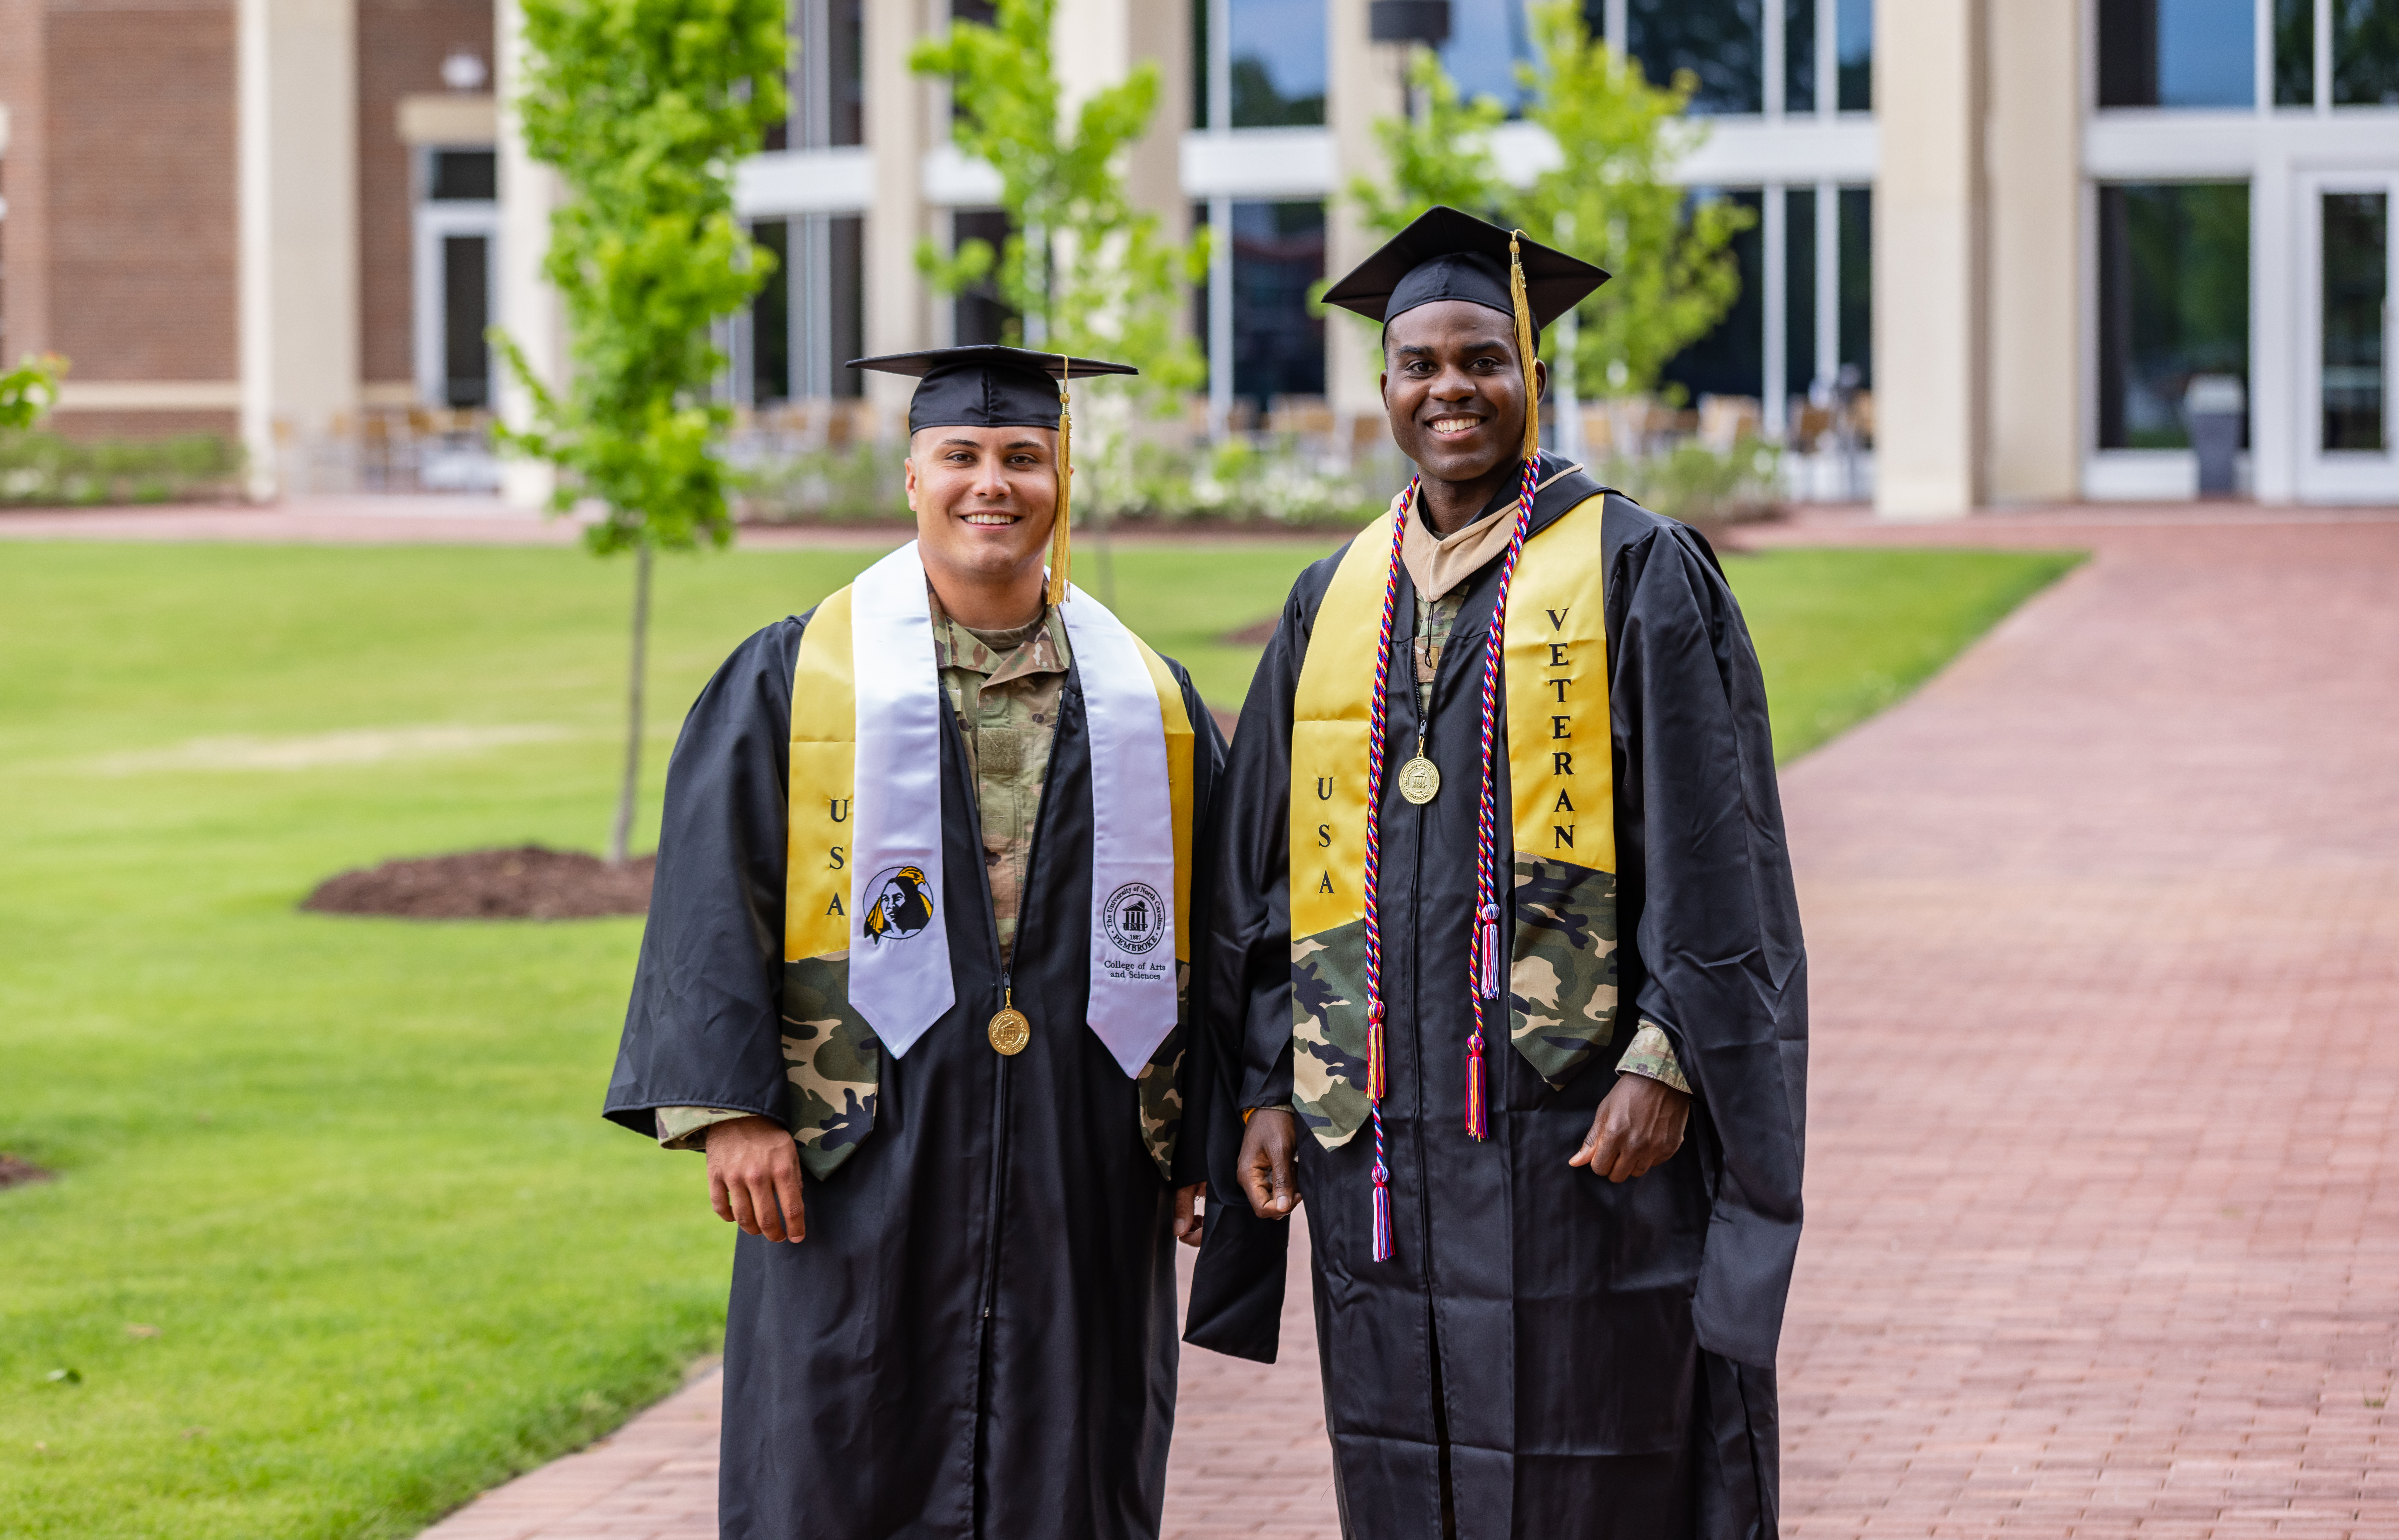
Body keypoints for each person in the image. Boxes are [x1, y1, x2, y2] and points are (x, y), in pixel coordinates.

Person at [1187, 208, 1807, 1539]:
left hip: (1571, 1137)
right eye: (1419, 363)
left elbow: (1718, 844)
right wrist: (1263, 1086)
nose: (1449, 389)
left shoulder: (1633, 569)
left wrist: (1667, 1058)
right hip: (1384, 1152)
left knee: (1600, 1453)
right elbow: (1262, 885)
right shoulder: (1333, 597)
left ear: (1531, 372)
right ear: (1384, 387)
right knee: (1404, 1462)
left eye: (1481, 358)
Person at [602, 344, 1232, 1540]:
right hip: (858, 1145)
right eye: (961, 455)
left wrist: (1199, 1130)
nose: (990, 483)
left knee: (1072, 1467)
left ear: (1060, 479)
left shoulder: (1152, 698)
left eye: (1021, 457)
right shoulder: (797, 676)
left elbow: (1219, 926)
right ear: (910, 477)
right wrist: (725, 1108)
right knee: (843, 1454)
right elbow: (708, 887)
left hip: (1081, 1147)